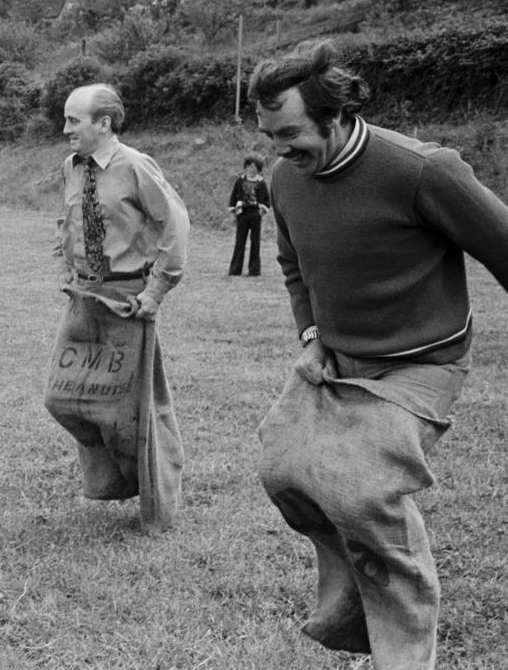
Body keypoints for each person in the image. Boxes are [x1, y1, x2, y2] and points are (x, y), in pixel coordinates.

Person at [249, 41, 508, 670]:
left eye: (290, 133)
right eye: (268, 135)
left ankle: (405, 653)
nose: (279, 150)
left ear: (334, 116)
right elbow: (292, 265)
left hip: (423, 363)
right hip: (337, 359)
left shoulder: (423, 170)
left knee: (363, 492)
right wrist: (310, 336)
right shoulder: (286, 179)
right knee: (284, 471)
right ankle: (355, 605)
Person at [43, 83, 189, 533]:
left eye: (74, 120)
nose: (65, 128)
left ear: (103, 124)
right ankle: (115, 481)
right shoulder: (71, 166)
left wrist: (157, 290)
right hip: (84, 297)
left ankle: (158, 507)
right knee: (61, 398)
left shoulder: (135, 166)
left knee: (138, 410)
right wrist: (67, 264)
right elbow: (69, 220)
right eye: (66, 119)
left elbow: (175, 224)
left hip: (129, 299)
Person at [226, 153, 270, 276]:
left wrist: (262, 211)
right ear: (246, 167)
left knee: (255, 242)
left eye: (255, 167)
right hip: (242, 214)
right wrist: (234, 210)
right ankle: (235, 270)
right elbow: (233, 196)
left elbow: (266, 200)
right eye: (250, 166)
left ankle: (254, 270)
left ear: (259, 168)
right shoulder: (240, 181)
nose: (252, 169)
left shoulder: (261, 183)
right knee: (240, 242)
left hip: (255, 214)